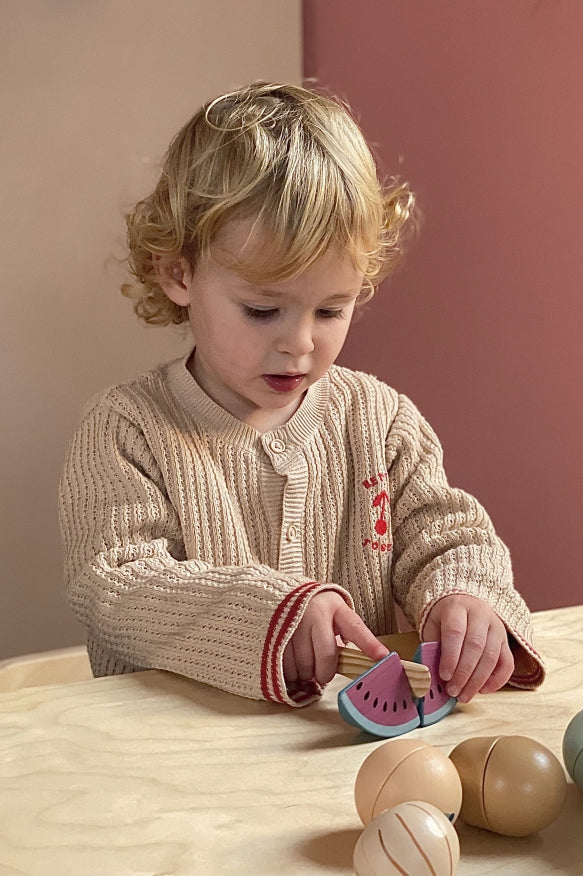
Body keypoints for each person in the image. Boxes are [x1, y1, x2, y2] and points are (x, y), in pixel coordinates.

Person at [58, 81, 544, 708]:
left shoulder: (380, 418)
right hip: (179, 764)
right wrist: (273, 612)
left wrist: (465, 596)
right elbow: (117, 585)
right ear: (178, 272)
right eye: (263, 310)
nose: (300, 344)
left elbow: (445, 533)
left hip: (343, 758)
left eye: (331, 310)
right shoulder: (125, 430)